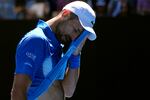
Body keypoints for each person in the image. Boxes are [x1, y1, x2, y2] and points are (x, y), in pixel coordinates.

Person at [11, 1, 97, 100]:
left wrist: (76, 54)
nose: (75, 37)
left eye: (79, 34)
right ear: (65, 14)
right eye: (75, 30)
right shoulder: (36, 40)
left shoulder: (58, 47)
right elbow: (18, 90)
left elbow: (68, 91)